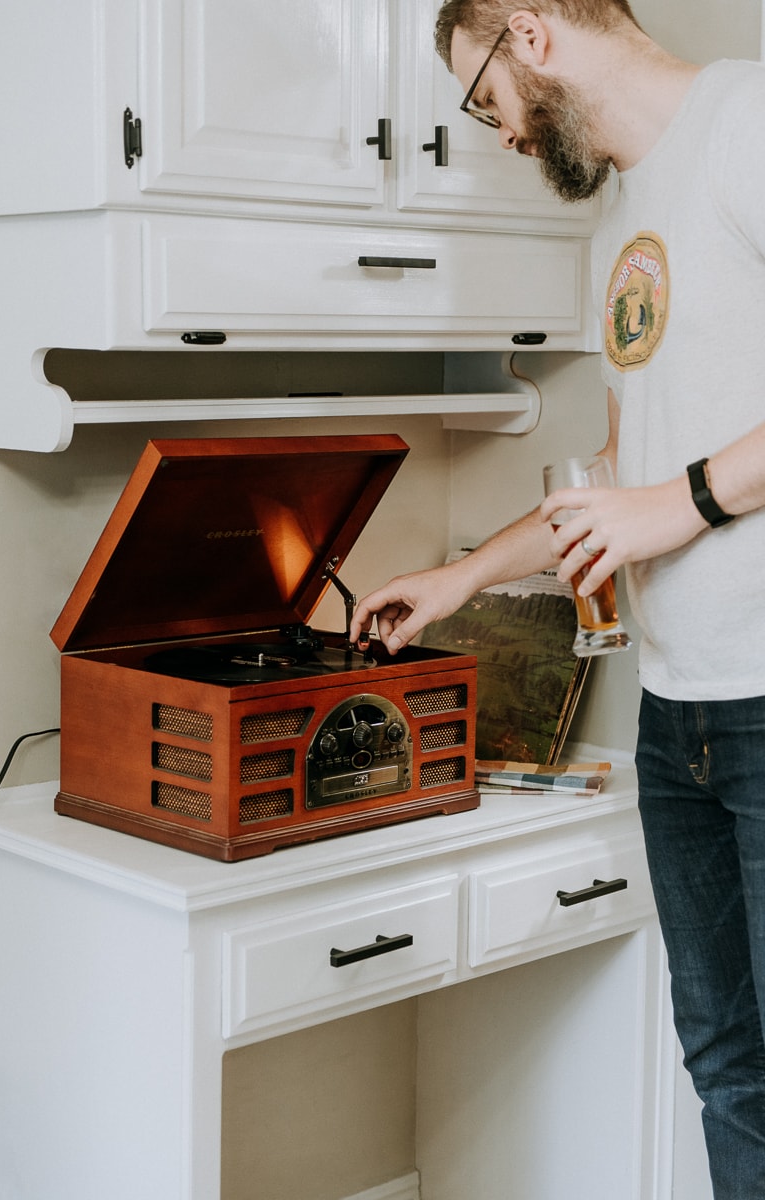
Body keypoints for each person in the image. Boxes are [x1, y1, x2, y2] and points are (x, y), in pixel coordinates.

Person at [348, 3, 765, 1196]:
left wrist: (679, 503)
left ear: (527, 32)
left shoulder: (741, 122)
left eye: (484, 101)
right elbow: (615, 475)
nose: (501, 135)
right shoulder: (626, 220)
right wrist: (463, 574)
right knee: (729, 1065)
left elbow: (658, 497)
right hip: (677, 714)